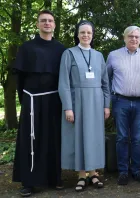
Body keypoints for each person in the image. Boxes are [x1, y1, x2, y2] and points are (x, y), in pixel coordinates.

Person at [12, 10, 66, 197]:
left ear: (54, 25)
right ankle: (29, 181)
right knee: (31, 139)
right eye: (43, 20)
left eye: (50, 20)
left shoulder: (61, 49)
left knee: (54, 138)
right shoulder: (27, 48)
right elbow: (20, 79)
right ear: (37, 24)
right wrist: (25, 100)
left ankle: (55, 178)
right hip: (32, 100)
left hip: (53, 99)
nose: (47, 23)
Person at [58, 20, 110, 192]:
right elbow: (64, 83)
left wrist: (106, 105)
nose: (86, 35)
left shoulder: (98, 55)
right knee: (79, 137)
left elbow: (105, 83)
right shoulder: (69, 54)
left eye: (88, 32)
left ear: (92, 34)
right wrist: (68, 107)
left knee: (94, 137)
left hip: (96, 102)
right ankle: (81, 175)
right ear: (77, 34)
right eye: (82, 32)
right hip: (77, 101)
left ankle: (94, 173)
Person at [107, 26, 140, 185]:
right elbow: (106, 80)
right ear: (124, 37)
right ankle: (122, 171)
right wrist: (109, 103)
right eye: (130, 36)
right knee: (121, 138)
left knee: (137, 139)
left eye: (136, 37)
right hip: (121, 101)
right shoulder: (113, 56)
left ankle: (135, 170)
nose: (133, 39)